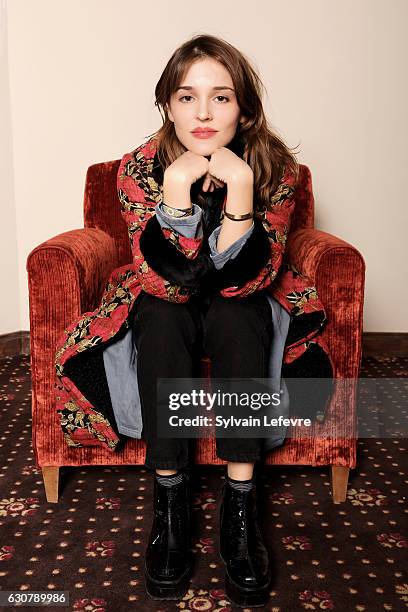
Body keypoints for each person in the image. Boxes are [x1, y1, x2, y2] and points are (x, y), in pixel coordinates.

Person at [118, 34, 300, 607]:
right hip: (163, 301)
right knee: (163, 314)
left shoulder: (276, 169)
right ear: (167, 106)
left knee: (239, 312)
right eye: (186, 97)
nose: (202, 113)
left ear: (243, 107)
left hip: (240, 298)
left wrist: (240, 191)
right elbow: (160, 280)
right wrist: (176, 196)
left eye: (220, 98)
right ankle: (170, 502)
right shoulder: (138, 169)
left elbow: (246, 279)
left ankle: (240, 505)